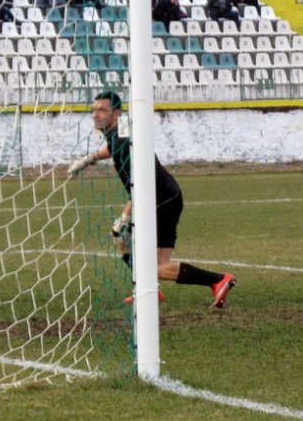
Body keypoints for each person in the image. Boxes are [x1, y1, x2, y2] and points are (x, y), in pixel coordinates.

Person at [68, 91, 236, 308]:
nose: (95, 115)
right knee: (123, 240)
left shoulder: (121, 141)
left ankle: (218, 280)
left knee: (155, 266)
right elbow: (112, 148)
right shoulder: (119, 134)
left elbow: (140, 184)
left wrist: (125, 216)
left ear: (116, 113)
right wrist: (89, 159)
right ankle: (148, 291)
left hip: (162, 201)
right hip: (163, 197)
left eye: (102, 110)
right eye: (94, 109)